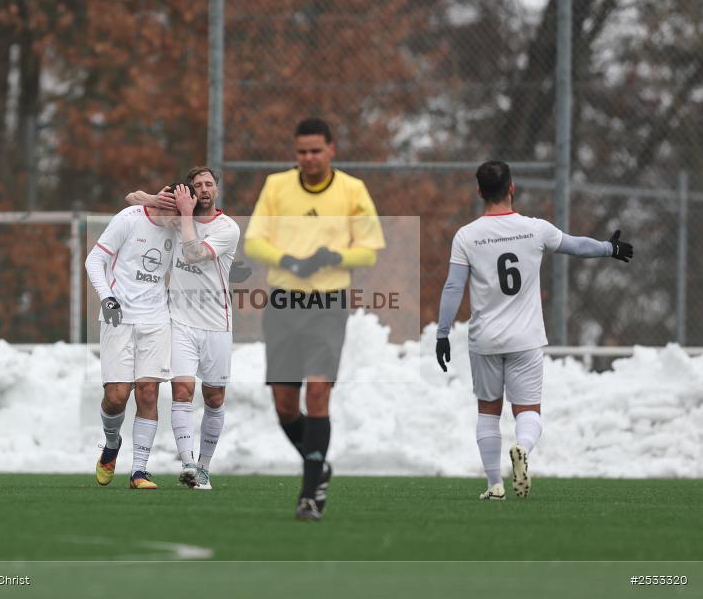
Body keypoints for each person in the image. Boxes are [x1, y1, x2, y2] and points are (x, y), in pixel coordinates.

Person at [435, 160, 633, 500]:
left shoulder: (466, 236)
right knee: (528, 412)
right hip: (525, 339)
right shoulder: (535, 229)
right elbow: (575, 245)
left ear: (479, 191)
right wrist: (609, 248)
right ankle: (522, 448)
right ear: (512, 188)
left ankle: (494, 485)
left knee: (488, 411)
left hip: (485, 340)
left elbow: (453, 287)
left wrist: (442, 334)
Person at [244, 117, 386, 521]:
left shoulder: (352, 190)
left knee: (319, 391)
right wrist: (288, 260)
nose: (308, 158)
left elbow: (369, 251)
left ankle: (309, 495)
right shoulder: (276, 186)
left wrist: (333, 257)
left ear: (331, 150)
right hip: (283, 304)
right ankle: (319, 465)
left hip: (327, 304)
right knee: (285, 406)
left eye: (316, 151)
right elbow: (254, 242)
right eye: (302, 151)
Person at [125, 167, 242, 490]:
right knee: (181, 391)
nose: (204, 189)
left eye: (209, 184)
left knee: (214, 397)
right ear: (189, 192)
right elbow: (132, 198)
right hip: (179, 322)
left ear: (216, 190)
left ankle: (204, 466)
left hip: (217, 324)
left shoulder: (227, 228)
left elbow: (193, 253)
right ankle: (188, 464)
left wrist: (185, 214)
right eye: (197, 185)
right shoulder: (177, 218)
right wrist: (159, 199)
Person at [85, 193, 179, 490]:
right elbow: (94, 260)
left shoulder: (181, 229)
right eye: (175, 210)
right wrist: (107, 297)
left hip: (156, 319)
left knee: (148, 394)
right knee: (116, 397)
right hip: (119, 317)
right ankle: (112, 443)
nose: (179, 218)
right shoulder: (128, 219)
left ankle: (139, 471)